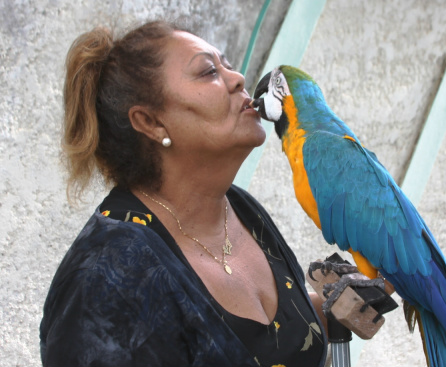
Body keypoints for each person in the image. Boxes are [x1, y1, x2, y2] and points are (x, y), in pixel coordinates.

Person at [40, 20, 328, 367]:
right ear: (151, 122)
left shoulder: (239, 208)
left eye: (227, 64)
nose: (237, 78)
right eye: (208, 71)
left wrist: (335, 309)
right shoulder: (107, 278)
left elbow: (264, 344)